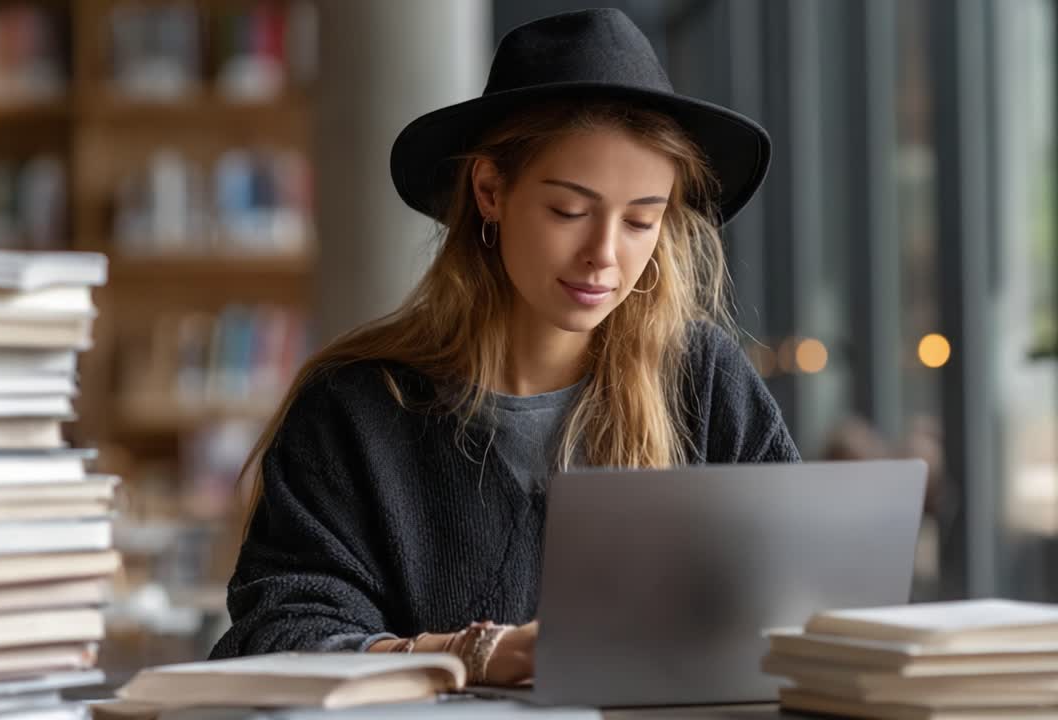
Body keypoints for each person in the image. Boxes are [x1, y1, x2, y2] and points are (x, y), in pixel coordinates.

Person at [209, 8, 799, 687]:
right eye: (568, 211)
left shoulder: (704, 384)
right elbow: (274, 636)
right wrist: (466, 655)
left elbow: (797, 610)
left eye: (642, 220)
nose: (604, 255)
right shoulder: (355, 411)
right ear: (490, 191)